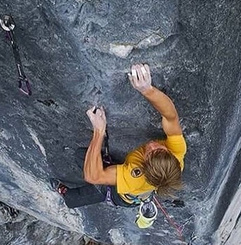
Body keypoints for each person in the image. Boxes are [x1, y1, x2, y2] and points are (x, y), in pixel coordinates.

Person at [53, 63, 186, 208]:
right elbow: (171, 116)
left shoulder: (134, 176)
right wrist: (148, 90)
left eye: (150, 153)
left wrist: (99, 131)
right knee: (83, 157)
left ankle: (67, 196)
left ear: (143, 165)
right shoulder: (176, 154)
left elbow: (93, 176)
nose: (152, 145)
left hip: (123, 196)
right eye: (160, 149)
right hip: (140, 188)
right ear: (171, 154)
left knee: (100, 189)